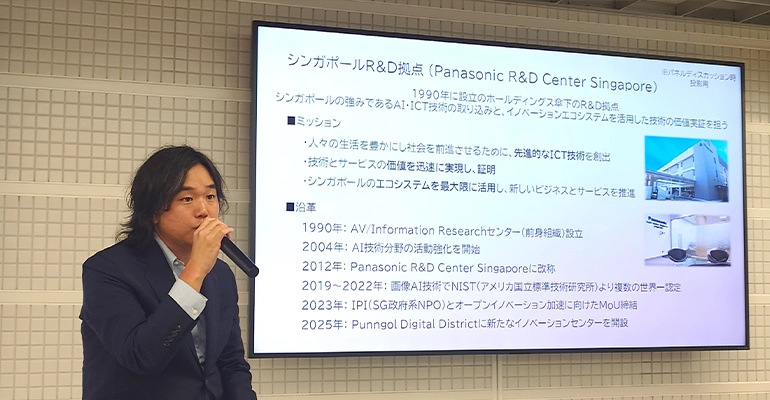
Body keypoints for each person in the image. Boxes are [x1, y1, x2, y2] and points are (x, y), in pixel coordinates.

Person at [80, 145, 257, 400]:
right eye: (187, 199)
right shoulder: (108, 270)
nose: (204, 211)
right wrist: (195, 271)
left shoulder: (220, 274)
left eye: (210, 196)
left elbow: (231, 363)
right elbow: (141, 356)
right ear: (153, 211)